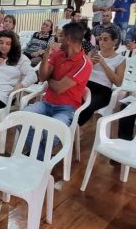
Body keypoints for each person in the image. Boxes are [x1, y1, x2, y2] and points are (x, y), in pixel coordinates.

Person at [23, 23, 93, 160]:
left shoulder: (84, 63)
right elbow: (42, 77)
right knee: (22, 119)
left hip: (66, 109)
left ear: (67, 38)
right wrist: (46, 55)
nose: (57, 39)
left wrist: (49, 79)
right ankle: (43, 159)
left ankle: (37, 157)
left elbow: (60, 88)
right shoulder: (59, 55)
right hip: (46, 103)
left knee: (50, 132)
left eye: (60, 36)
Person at [76, 29, 126, 126]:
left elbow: (118, 82)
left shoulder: (120, 59)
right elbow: (81, 72)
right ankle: (66, 125)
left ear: (114, 41)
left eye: (106, 40)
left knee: (87, 106)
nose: (102, 42)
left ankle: (73, 128)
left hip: (102, 90)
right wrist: (89, 64)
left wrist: (104, 64)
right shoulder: (94, 53)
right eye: (100, 39)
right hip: (86, 85)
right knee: (70, 99)